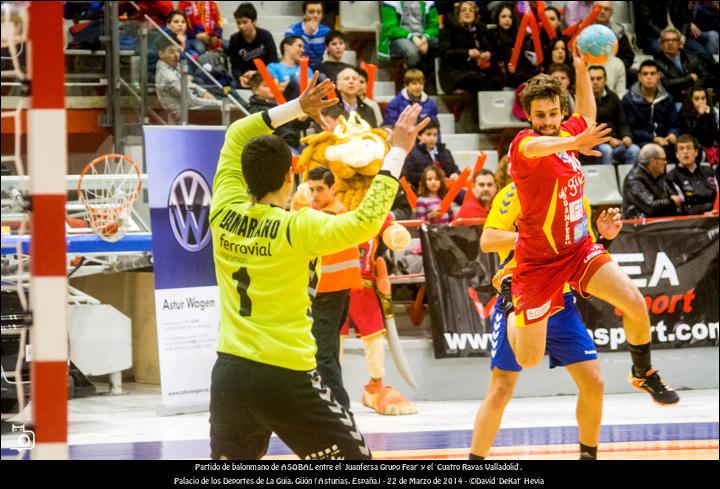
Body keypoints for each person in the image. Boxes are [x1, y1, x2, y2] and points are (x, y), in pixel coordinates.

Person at [208, 74, 430, 460]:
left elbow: (235, 134)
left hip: (229, 374)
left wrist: (296, 108)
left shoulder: (222, 209)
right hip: (285, 376)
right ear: (289, 176)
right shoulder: (298, 226)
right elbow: (365, 222)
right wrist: (396, 151)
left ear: (241, 177)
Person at [505, 50, 679, 407]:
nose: (548, 120)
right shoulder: (524, 145)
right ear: (529, 116)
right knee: (529, 359)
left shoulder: (567, 129)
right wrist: (573, 141)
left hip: (579, 249)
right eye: (540, 115)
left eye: (554, 113)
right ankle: (512, 306)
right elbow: (541, 145)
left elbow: (585, 116)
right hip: (538, 264)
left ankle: (643, 373)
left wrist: (581, 70)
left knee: (634, 303)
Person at [470, 180, 619, 460]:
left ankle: (588, 456)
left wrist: (605, 239)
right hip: (520, 295)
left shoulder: (574, 197)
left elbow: (583, 258)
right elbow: (487, 240)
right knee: (500, 388)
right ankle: (473, 462)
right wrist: (532, 239)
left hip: (560, 302)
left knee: (594, 382)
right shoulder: (516, 191)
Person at [304, 166, 362, 410]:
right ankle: (336, 402)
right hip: (337, 291)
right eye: (311, 189)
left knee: (323, 354)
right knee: (329, 351)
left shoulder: (330, 215)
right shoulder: (336, 212)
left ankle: (339, 405)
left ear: (333, 188)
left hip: (329, 292)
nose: (315, 194)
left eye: (320, 189)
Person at [438, 1, 503, 94]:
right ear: (458, 14)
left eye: (471, 10)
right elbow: (444, 53)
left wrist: (489, 54)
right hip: (455, 72)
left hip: (477, 70)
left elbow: (493, 50)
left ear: (475, 14)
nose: (467, 12)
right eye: (463, 10)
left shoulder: (480, 29)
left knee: (496, 81)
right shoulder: (448, 29)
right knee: (476, 80)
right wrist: (467, 52)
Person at [154, 36, 221, 123]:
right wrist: (219, 103)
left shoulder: (173, 66)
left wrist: (204, 92)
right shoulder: (167, 76)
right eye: (171, 52)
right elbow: (191, 101)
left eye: (178, 51)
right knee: (226, 110)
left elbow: (188, 83)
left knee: (223, 90)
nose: (176, 55)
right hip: (185, 116)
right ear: (161, 54)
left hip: (191, 108)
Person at [622, 60, 679, 154]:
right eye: (645, 74)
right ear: (639, 77)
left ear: (658, 76)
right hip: (641, 141)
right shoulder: (629, 100)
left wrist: (672, 134)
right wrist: (653, 139)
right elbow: (631, 129)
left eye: (652, 74)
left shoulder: (667, 98)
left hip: (665, 140)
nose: (649, 77)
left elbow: (674, 124)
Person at [588, 65, 639, 165]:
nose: (595, 82)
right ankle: (606, 180)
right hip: (596, 144)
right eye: (592, 79)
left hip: (617, 142)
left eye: (599, 78)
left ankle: (630, 180)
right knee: (606, 150)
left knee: (634, 150)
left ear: (605, 80)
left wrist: (626, 136)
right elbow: (587, 128)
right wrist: (608, 140)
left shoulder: (613, 97)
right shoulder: (583, 100)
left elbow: (622, 122)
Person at [245, 73, 308, 154]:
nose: (272, 88)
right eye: (267, 86)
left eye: (274, 86)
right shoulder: (255, 111)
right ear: (255, 90)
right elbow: (281, 136)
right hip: (276, 150)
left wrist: (300, 121)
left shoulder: (278, 104)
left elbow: (290, 130)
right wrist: (297, 124)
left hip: (292, 145)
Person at [654, 27, 713, 104]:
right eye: (666, 40)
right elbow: (666, 84)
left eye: (674, 40)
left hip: (696, 97)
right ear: (661, 45)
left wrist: (691, 89)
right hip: (675, 101)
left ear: (680, 43)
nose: (670, 43)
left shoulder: (691, 57)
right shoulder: (656, 64)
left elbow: (705, 75)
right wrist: (689, 78)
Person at [378, 0, 440, 74]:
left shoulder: (428, 2)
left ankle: (428, 79)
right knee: (412, 53)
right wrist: (412, 37)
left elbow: (434, 26)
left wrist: (425, 38)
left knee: (440, 45)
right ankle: (412, 81)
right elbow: (390, 28)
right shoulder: (391, 2)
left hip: (422, 36)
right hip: (399, 37)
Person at [622, 143, 682, 219]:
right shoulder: (633, 179)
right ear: (653, 161)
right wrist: (672, 202)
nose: (666, 162)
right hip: (639, 227)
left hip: (660, 223)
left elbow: (672, 195)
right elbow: (650, 207)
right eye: (663, 159)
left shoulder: (660, 175)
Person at [226, 3, 278, 89]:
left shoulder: (266, 36)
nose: (241, 26)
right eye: (238, 23)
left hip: (263, 77)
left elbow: (273, 62)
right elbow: (235, 66)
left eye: (245, 22)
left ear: (254, 21)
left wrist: (257, 73)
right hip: (246, 78)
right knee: (232, 85)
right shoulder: (234, 39)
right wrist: (240, 77)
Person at [488, 2, 539, 88]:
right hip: (498, 75)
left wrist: (518, 70)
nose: (507, 19)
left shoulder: (519, 37)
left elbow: (525, 63)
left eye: (510, 17)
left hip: (517, 75)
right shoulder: (491, 36)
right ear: (497, 18)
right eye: (503, 16)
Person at [667, 134, 718, 215]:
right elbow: (680, 208)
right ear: (677, 154)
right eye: (681, 149)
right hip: (691, 221)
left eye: (689, 148)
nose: (685, 152)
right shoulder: (672, 177)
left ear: (696, 152)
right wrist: (703, 214)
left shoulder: (709, 171)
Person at [402, 119, 459, 190]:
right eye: (428, 134)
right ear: (419, 136)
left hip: (448, 189)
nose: (432, 138)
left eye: (435, 135)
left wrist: (455, 174)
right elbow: (410, 175)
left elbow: (455, 169)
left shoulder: (445, 152)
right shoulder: (411, 154)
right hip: (423, 192)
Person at [284, 1, 332, 70]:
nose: (315, 15)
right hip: (297, 68)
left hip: (319, 69)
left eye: (319, 12)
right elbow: (294, 56)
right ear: (304, 14)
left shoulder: (327, 31)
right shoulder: (292, 31)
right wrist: (307, 34)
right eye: (311, 12)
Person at [679, 85, 720, 165]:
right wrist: (699, 116)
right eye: (697, 99)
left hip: (710, 148)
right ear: (691, 100)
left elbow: (713, 137)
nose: (701, 102)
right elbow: (689, 135)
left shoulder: (710, 112)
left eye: (703, 98)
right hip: (693, 147)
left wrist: (709, 117)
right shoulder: (684, 114)